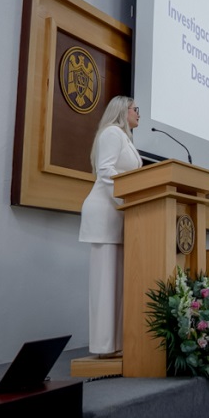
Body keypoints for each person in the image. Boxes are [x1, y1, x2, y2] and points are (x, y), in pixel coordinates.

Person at [78, 96, 142, 357]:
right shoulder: (112, 133)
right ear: (122, 110)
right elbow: (105, 171)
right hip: (105, 212)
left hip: (118, 214)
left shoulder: (125, 138)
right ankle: (103, 346)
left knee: (116, 283)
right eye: (135, 109)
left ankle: (115, 345)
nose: (139, 113)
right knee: (105, 283)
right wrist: (125, 202)